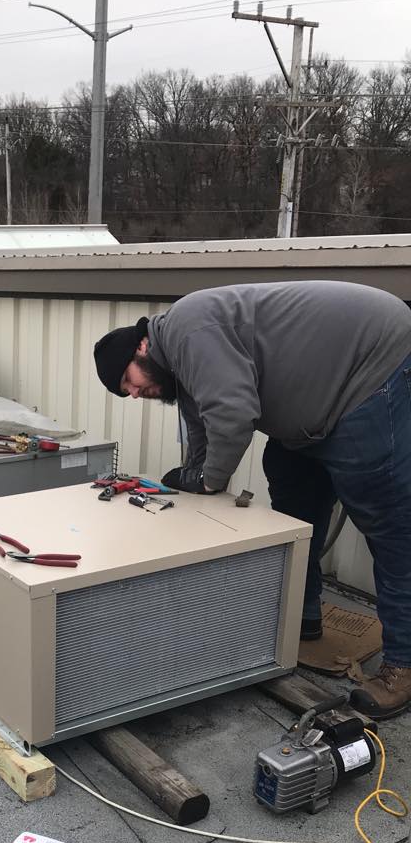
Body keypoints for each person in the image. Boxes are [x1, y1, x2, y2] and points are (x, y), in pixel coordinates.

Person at [93, 280, 411, 718]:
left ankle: (403, 666)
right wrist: (195, 477)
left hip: (371, 370)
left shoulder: (188, 330)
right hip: (317, 408)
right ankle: (302, 617)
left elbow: (233, 413)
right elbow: (204, 428)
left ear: (142, 347)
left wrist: (209, 483)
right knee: (289, 488)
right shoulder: (180, 363)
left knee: (390, 525)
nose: (132, 393)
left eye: (127, 381)